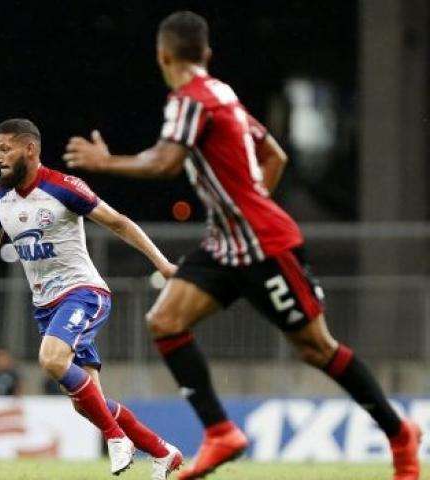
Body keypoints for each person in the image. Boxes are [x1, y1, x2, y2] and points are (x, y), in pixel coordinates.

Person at [63, 11, 421, 480]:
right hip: (228, 244)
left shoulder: (188, 99)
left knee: (317, 348)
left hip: (267, 246)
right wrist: (242, 210)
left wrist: (107, 163)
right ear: (206, 53)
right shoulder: (222, 93)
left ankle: (399, 433)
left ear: (162, 54)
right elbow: (275, 155)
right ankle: (220, 431)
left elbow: (166, 161)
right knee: (165, 320)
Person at [0, 118, 183, 479]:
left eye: (5, 149)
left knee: (51, 358)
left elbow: (119, 222)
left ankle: (116, 438)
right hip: (46, 306)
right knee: (88, 405)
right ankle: (163, 452)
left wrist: (163, 264)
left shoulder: (63, 187)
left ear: (30, 149)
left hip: (83, 293)